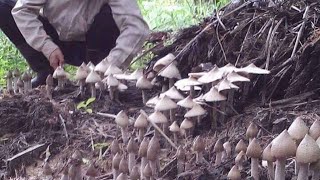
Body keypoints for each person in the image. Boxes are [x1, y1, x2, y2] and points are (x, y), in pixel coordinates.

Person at [0, 0, 150, 87]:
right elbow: (22, 10)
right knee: (4, 7)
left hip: (95, 47)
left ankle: (98, 77)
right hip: (56, 44)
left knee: (108, 15)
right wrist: (47, 46)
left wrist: (111, 64)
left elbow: (136, 27)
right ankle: (46, 72)